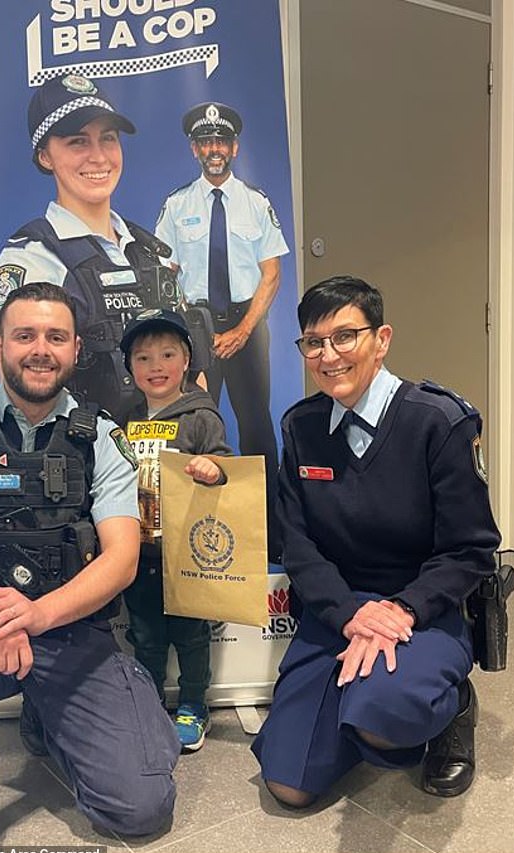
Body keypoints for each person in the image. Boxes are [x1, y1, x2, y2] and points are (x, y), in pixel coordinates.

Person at [0, 283, 181, 849]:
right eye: (24, 335)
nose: (39, 348)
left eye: (55, 337)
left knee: (141, 808)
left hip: (69, 634)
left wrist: (36, 616)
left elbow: (120, 558)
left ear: (74, 352)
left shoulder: (100, 438)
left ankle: (61, 716)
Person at [252, 275, 501, 806]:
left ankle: (451, 704)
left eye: (345, 336)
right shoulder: (302, 427)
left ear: (381, 339)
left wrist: (403, 611)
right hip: (339, 610)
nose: (329, 355)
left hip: (419, 610)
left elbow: (471, 548)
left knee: (383, 717)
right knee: (288, 786)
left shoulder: (439, 422)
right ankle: (354, 709)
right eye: (314, 342)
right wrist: (348, 614)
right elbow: (296, 544)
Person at [0, 73, 188, 418]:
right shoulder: (33, 259)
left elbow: (191, 371)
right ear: (45, 156)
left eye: (108, 139)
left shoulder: (149, 250)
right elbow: (18, 392)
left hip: (165, 460)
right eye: (78, 142)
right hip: (85, 462)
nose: (98, 157)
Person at [154, 102, 289, 561]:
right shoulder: (177, 206)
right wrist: (191, 335)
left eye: (221, 141)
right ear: (195, 149)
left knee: (256, 428)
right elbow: (164, 273)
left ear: (234, 147)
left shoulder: (256, 203)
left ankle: (269, 533)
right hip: (197, 331)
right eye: (205, 142)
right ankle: (199, 534)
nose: (214, 149)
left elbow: (271, 274)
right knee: (195, 429)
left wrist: (243, 330)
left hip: (248, 327)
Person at [119, 308, 233, 752]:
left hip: (187, 552)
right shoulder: (125, 421)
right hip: (140, 551)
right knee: (144, 635)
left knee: (190, 635)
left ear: (186, 361)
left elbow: (227, 467)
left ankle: (193, 705)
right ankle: (148, 702)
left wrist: (213, 466)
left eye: (167, 354)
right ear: (130, 368)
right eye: (143, 358)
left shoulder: (203, 416)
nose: (156, 366)